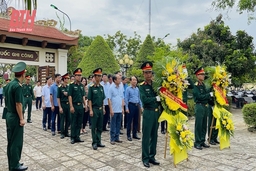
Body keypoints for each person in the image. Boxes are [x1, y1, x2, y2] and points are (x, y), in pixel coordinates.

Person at [5, 61, 28, 171]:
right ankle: (15, 165)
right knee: (16, 141)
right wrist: (22, 119)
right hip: (15, 117)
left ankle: (12, 162)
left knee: (11, 140)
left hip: (9, 115)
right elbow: (18, 104)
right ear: (23, 74)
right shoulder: (18, 86)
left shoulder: (9, 84)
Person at [139, 62, 161, 168]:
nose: (149, 75)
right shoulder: (142, 87)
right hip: (148, 112)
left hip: (156, 112)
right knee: (146, 136)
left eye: (150, 72)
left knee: (154, 136)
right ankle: (145, 158)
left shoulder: (156, 85)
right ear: (143, 74)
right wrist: (155, 99)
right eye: (146, 73)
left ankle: (152, 156)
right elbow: (144, 100)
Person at [193, 67, 211, 150]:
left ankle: (202, 140)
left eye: (204, 74)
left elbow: (205, 96)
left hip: (205, 106)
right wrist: (208, 95)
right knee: (199, 125)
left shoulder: (203, 85)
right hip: (199, 106)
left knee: (204, 124)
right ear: (197, 75)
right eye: (202, 74)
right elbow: (199, 97)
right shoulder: (195, 86)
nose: (203, 76)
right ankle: (197, 142)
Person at [88, 68, 106, 150]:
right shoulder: (91, 87)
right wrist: (91, 110)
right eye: (98, 76)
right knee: (94, 127)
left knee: (100, 126)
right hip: (94, 109)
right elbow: (90, 100)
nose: (99, 77)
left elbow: (102, 99)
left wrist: (103, 108)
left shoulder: (101, 87)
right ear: (95, 77)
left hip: (100, 109)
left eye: (100, 76)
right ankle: (94, 142)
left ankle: (99, 141)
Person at [68, 68, 87, 144]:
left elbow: (83, 96)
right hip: (74, 105)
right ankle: (73, 137)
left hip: (80, 106)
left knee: (79, 122)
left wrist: (85, 105)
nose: (79, 77)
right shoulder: (71, 85)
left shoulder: (82, 86)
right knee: (73, 122)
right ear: (75, 76)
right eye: (78, 75)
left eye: (80, 75)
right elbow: (70, 96)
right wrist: (71, 106)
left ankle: (77, 136)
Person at [125, 76, 142, 141]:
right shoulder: (128, 89)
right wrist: (126, 108)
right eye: (133, 80)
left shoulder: (137, 89)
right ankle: (128, 135)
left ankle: (134, 134)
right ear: (131, 81)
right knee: (129, 121)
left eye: (136, 80)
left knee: (136, 120)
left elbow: (139, 98)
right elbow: (126, 99)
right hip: (130, 105)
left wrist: (141, 106)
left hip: (136, 105)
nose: (135, 81)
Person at [108, 74, 124, 145]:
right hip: (114, 109)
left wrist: (123, 108)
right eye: (119, 79)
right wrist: (111, 109)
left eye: (120, 78)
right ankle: (112, 138)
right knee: (113, 125)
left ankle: (117, 137)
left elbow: (122, 97)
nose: (120, 80)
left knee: (118, 124)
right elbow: (109, 99)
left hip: (120, 109)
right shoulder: (111, 87)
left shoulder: (121, 86)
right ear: (115, 80)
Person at [57, 73, 71, 139]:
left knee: (68, 119)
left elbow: (71, 96)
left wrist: (67, 94)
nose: (68, 79)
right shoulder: (60, 88)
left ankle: (66, 132)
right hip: (63, 104)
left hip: (68, 104)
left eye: (68, 78)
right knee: (62, 119)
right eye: (66, 78)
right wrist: (60, 107)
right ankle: (62, 133)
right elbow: (58, 98)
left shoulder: (69, 87)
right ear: (64, 79)